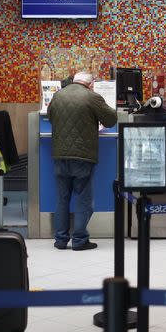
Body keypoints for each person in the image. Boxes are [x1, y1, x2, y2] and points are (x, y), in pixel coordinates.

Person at [47, 72, 118, 251]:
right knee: (83, 199)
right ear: (91, 83)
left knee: (62, 199)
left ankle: (61, 240)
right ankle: (79, 240)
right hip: (83, 155)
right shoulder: (92, 97)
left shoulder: (58, 94)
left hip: (60, 154)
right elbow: (111, 120)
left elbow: (50, 116)